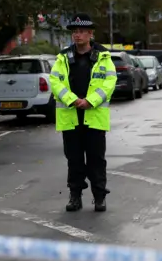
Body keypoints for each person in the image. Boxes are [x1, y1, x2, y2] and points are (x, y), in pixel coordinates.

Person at [48, 13, 117, 212]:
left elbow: (109, 84)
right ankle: (75, 197)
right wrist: (73, 100)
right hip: (71, 117)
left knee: (96, 160)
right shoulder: (63, 57)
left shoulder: (103, 57)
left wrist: (90, 101)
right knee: (74, 160)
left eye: (81, 32)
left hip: (94, 117)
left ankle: (99, 197)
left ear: (90, 34)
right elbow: (55, 82)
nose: (77, 35)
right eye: (74, 32)